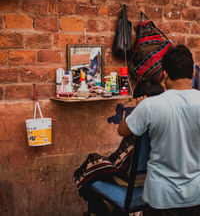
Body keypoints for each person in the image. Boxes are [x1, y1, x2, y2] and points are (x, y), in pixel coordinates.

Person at [118, 45, 200, 216]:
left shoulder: (149, 105)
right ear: (193, 73)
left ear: (164, 74)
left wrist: (138, 108)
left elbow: (122, 130)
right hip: (196, 194)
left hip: (161, 197)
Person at [73, 79, 164, 216]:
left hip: (128, 178)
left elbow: (121, 131)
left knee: (86, 169)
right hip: (152, 177)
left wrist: (140, 110)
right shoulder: (165, 121)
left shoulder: (139, 121)